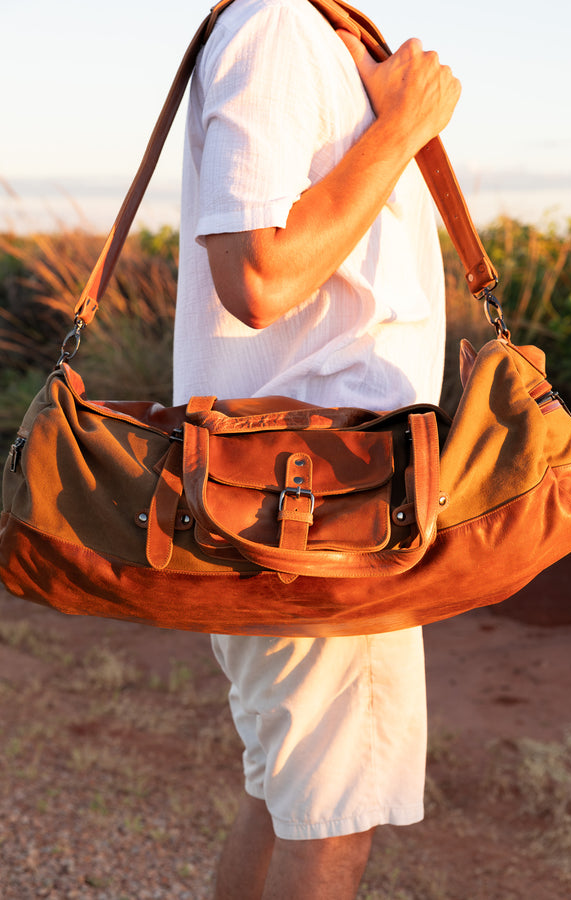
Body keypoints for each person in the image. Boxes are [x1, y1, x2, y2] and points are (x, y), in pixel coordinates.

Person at [173, 0, 460, 897]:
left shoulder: (310, 32)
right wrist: (403, 127)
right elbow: (258, 274)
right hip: (323, 511)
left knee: (288, 798)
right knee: (330, 829)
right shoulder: (280, 28)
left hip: (300, 501)